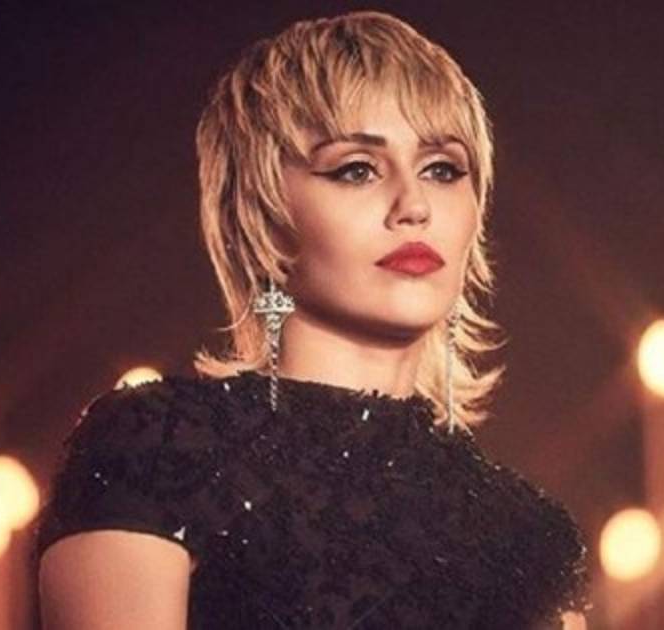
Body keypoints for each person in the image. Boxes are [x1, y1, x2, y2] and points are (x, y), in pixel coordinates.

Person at [32, 10, 590, 629]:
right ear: (261, 212)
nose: (414, 206)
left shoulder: (531, 536)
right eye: (356, 169)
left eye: (442, 169)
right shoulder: (157, 450)